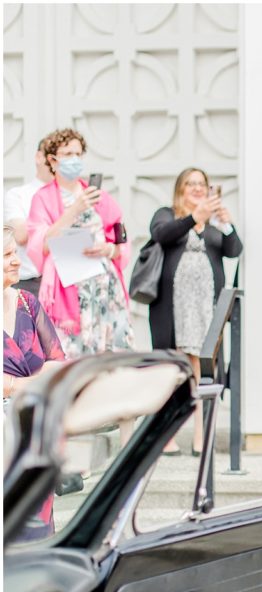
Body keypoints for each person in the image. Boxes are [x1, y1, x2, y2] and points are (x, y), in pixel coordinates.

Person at [148, 168, 243, 456]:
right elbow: (162, 235)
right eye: (190, 184)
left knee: (204, 373)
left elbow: (234, 250)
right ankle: (167, 435)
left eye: (201, 184)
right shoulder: (167, 214)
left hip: (205, 311)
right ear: (180, 189)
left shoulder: (213, 223)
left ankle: (202, 436)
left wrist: (226, 225)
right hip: (173, 310)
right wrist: (194, 217)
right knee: (174, 371)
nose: (197, 188)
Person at [25, 127, 134, 358]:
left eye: (77, 154)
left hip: (103, 287)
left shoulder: (99, 196)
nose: (74, 159)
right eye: (67, 154)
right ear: (53, 161)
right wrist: (74, 210)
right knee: (72, 356)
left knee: (109, 356)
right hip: (68, 287)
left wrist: (110, 249)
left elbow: (122, 240)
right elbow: (39, 245)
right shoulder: (42, 198)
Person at [3, 225, 65, 541]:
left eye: (15, 252)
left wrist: (12, 385)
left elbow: (59, 364)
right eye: (7, 254)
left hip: (35, 433)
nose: (17, 261)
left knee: (37, 535)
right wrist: (31, 382)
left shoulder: (28, 302)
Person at [3, 137, 53, 296]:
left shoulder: (73, 196)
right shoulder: (18, 195)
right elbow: (20, 235)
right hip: (29, 285)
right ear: (39, 157)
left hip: (65, 285)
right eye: (53, 156)